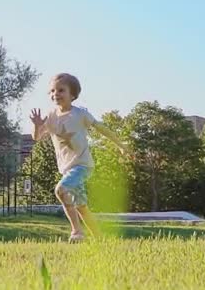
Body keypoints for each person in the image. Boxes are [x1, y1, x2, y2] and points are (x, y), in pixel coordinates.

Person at [30, 73, 130, 243]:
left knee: (60, 190)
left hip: (82, 165)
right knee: (81, 206)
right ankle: (100, 239)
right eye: (52, 91)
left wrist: (120, 145)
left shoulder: (80, 114)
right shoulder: (51, 116)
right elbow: (37, 137)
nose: (56, 94)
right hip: (67, 168)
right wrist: (37, 126)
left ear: (73, 95)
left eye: (61, 90)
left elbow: (101, 128)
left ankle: (77, 231)